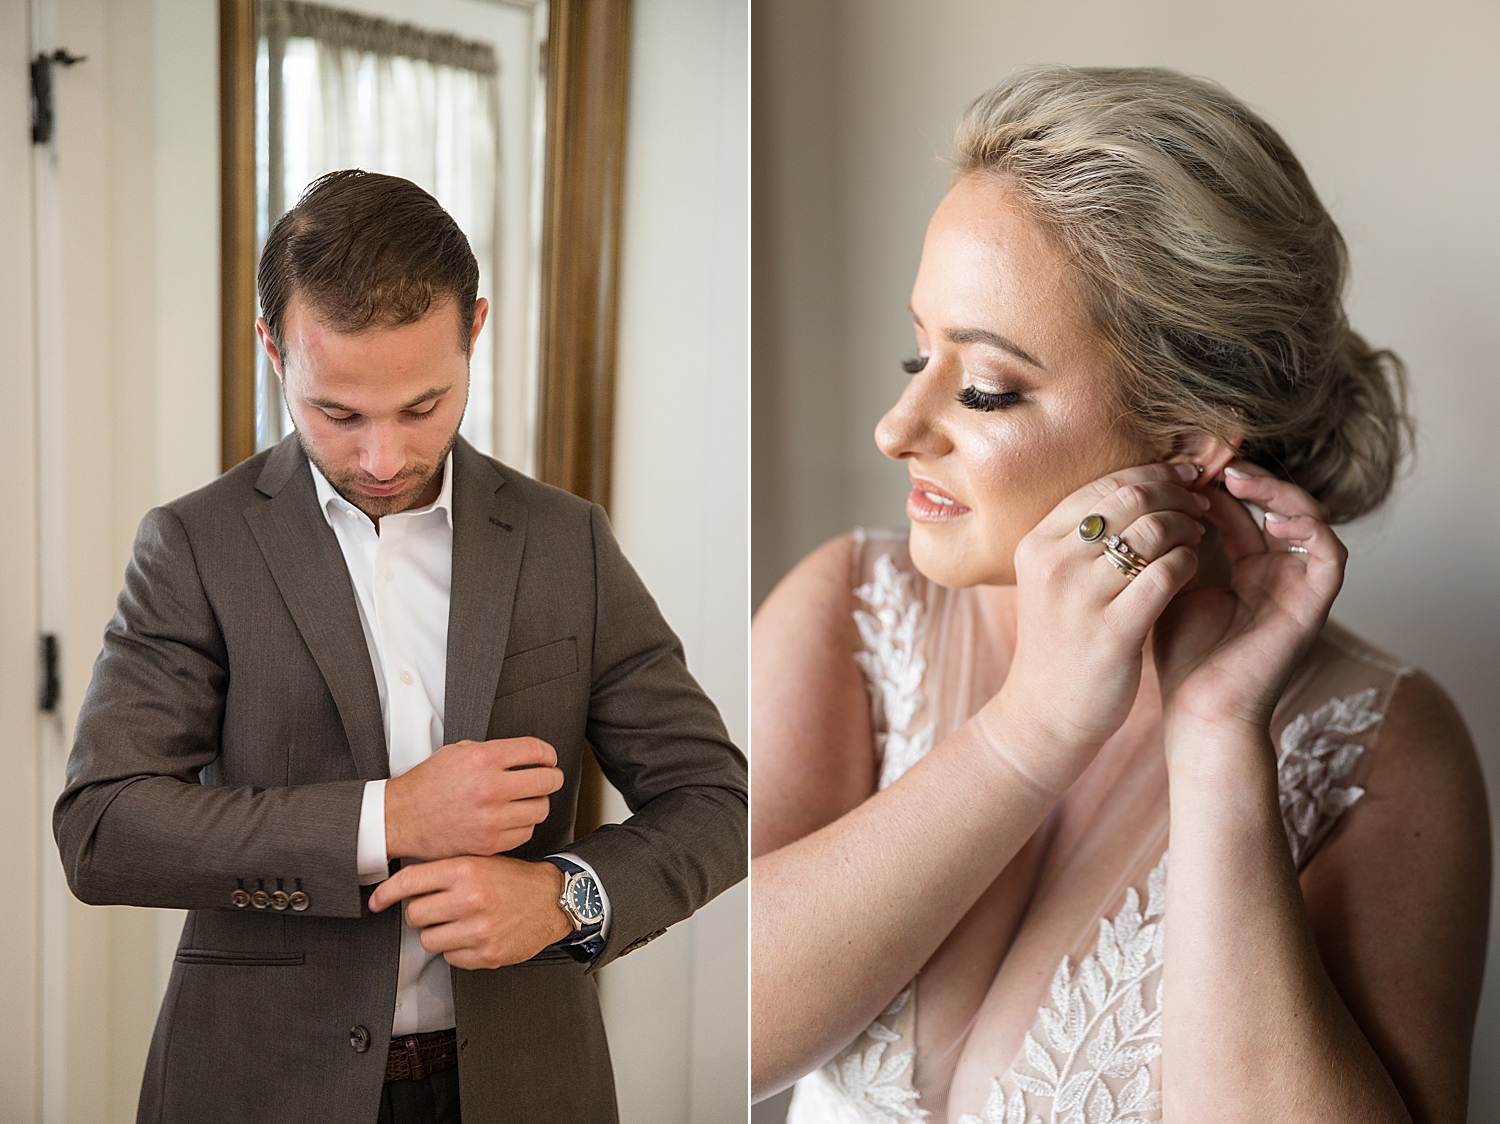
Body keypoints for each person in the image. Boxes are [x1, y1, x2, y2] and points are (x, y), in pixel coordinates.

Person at [752, 67, 1488, 1123]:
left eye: (985, 386)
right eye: (918, 349)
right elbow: (730, 1029)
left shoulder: (1387, 746)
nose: (896, 426)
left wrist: (1219, 735)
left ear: (1188, 439)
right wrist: (1029, 728)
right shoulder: (852, 608)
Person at [53, 170, 747, 1124]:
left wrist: (564, 899)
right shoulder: (194, 547)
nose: (383, 460)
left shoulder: (566, 541)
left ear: (476, 332)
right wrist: (389, 821)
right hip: (259, 1084)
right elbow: (102, 830)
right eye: (338, 414)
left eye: (423, 407)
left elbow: (717, 799)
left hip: (526, 1084)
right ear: (272, 348)